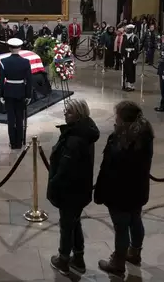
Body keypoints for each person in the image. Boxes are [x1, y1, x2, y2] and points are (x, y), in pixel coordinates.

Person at [93, 101, 154, 277]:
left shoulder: (121, 139)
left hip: (119, 192)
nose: (115, 119)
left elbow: (110, 167)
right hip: (138, 189)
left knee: (121, 228)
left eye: (117, 116)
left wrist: (102, 190)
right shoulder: (144, 135)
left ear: (123, 119)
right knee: (135, 219)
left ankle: (118, 263)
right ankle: (134, 253)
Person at [48, 100, 100, 275]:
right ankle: (78, 258)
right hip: (80, 188)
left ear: (78, 114)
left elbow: (65, 169)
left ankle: (63, 259)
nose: (65, 114)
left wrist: (54, 183)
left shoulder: (75, 139)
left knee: (66, 226)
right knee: (75, 222)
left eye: (68, 112)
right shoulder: (85, 131)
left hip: (70, 190)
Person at [0, 38, 32, 150]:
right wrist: (28, 95)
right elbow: (29, 81)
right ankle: (19, 142)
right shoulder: (26, 62)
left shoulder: (3, 62)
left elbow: (1, 80)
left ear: (9, 48)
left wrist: (1, 95)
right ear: (20, 48)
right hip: (21, 91)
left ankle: (13, 143)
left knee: (11, 119)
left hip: (8, 92)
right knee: (19, 118)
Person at [121, 24, 139, 91]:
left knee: (131, 70)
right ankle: (127, 84)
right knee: (126, 70)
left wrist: (135, 58)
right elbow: (123, 47)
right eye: (127, 29)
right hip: (126, 56)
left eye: (128, 29)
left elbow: (137, 48)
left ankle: (132, 85)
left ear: (131, 29)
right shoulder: (125, 36)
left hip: (131, 56)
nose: (127, 30)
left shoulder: (135, 37)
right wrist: (122, 56)